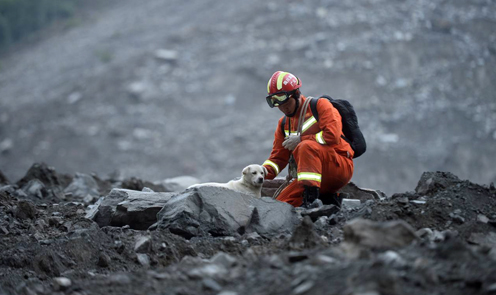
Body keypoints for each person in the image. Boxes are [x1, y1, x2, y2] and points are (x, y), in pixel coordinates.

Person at [262, 71, 354, 208]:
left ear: (296, 93)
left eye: (285, 102)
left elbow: (332, 136)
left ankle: (311, 205)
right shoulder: (284, 124)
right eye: (278, 104)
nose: (282, 108)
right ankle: (324, 200)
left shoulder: (320, 106)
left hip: (337, 166)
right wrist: (259, 172)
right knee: (280, 205)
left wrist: (301, 139)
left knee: (306, 146)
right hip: (310, 176)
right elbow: (277, 159)